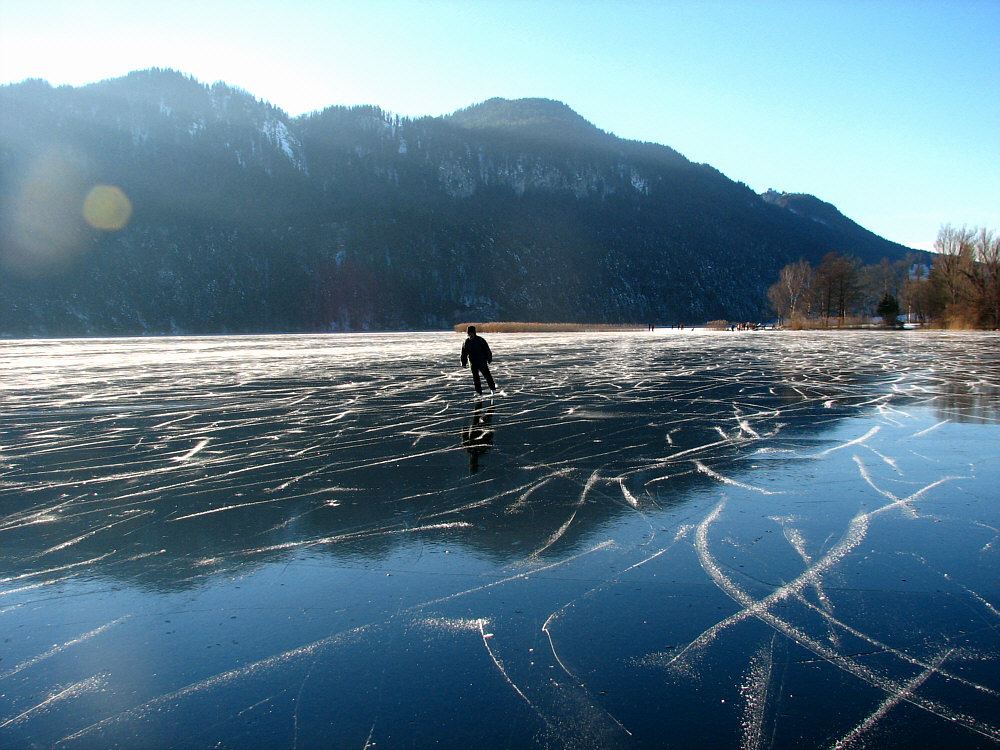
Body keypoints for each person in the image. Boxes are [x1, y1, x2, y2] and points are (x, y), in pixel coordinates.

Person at [461, 325, 497, 397]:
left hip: (482, 362)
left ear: (474, 333)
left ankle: (493, 389)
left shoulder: (480, 340)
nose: (470, 335)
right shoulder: (466, 342)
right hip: (473, 363)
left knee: (487, 376)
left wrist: (489, 358)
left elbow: (487, 350)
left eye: (471, 333)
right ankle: (478, 391)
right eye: (468, 334)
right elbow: (464, 353)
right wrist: (463, 362)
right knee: (476, 378)